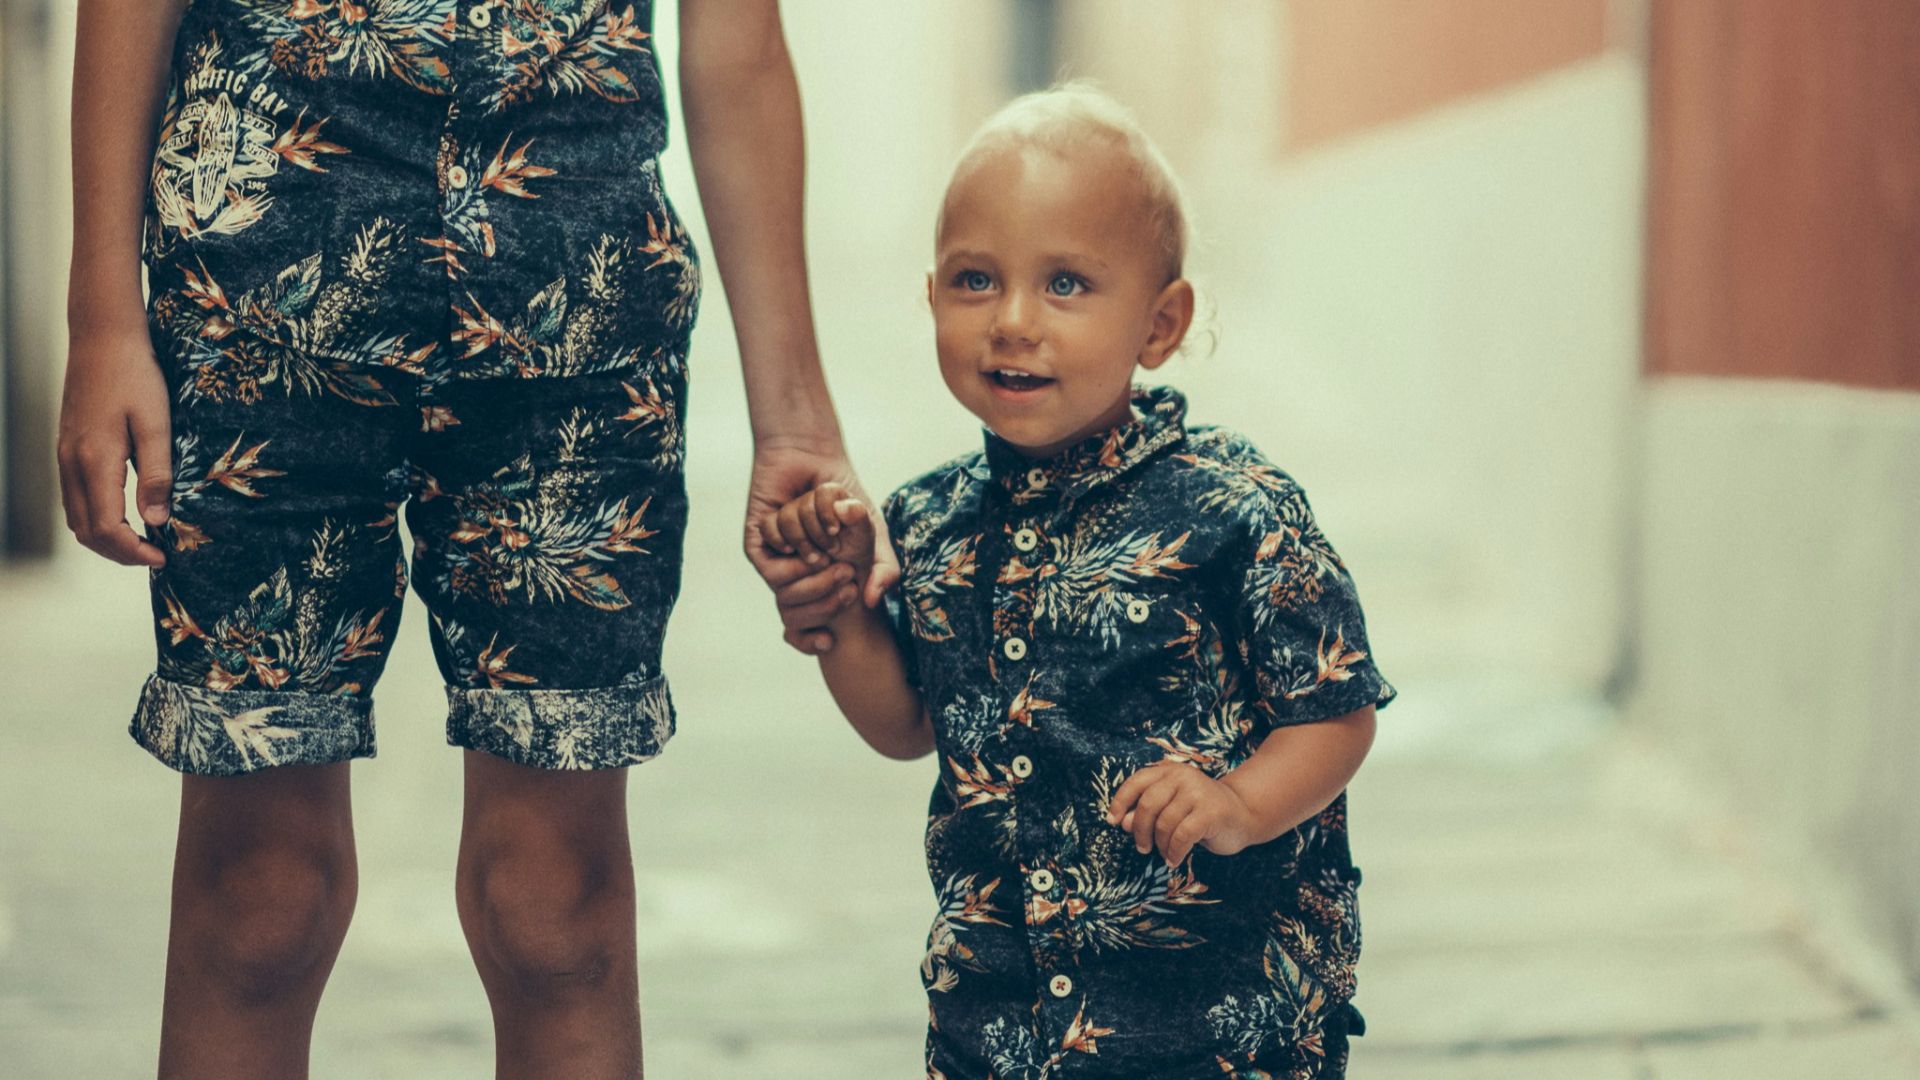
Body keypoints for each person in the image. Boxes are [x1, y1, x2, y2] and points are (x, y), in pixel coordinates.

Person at [59, 1, 890, 1076]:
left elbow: (738, 43)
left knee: (557, 916)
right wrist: (101, 317)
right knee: (257, 902)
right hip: (255, 311)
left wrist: (797, 420)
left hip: (580, 323)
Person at [761, 84, 1395, 1079]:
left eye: (1066, 284)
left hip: (1214, 1021)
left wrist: (1237, 803)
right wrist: (840, 612)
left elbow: (1337, 714)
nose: (1014, 322)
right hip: (1000, 1023)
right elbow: (905, 725)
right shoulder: (928, 523)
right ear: (931, 298)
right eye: (976, 280)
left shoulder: (1236, 510)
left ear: (1160, 322)